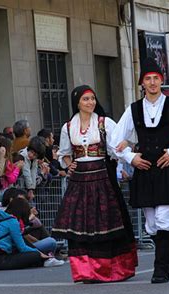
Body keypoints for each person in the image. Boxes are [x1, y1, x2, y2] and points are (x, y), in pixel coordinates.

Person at [111, 58, 169, 283]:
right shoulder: (133, 109)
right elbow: (114, 140)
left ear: (162, 80)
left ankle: (160, 270)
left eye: (156, 78)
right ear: (142, 83)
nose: (152, 83)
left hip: (168, 168)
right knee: (151, 225)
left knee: (164, 220)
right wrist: (131, 157)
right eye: (148, 79)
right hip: (144, 169)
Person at [52, 85, 137, 283]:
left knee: (106, 223)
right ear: (77, 103)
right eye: (85, 99)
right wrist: (69, 165)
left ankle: (110, 269)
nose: (90, 102)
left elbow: (118, 146)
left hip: (102, 178)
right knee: (81, 226)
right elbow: (64, 153)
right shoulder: (68, 127)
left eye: (92, 98)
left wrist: (126, 150)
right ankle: (86, 270)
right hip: (79, 180)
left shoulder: (104, 123)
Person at [0, 197, 63, 270]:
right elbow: (22, 248)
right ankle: (45, 260)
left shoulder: (1, 217)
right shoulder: (12, 222)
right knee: (35, 255)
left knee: (27, 247)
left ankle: (46, 258)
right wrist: (39, 253)